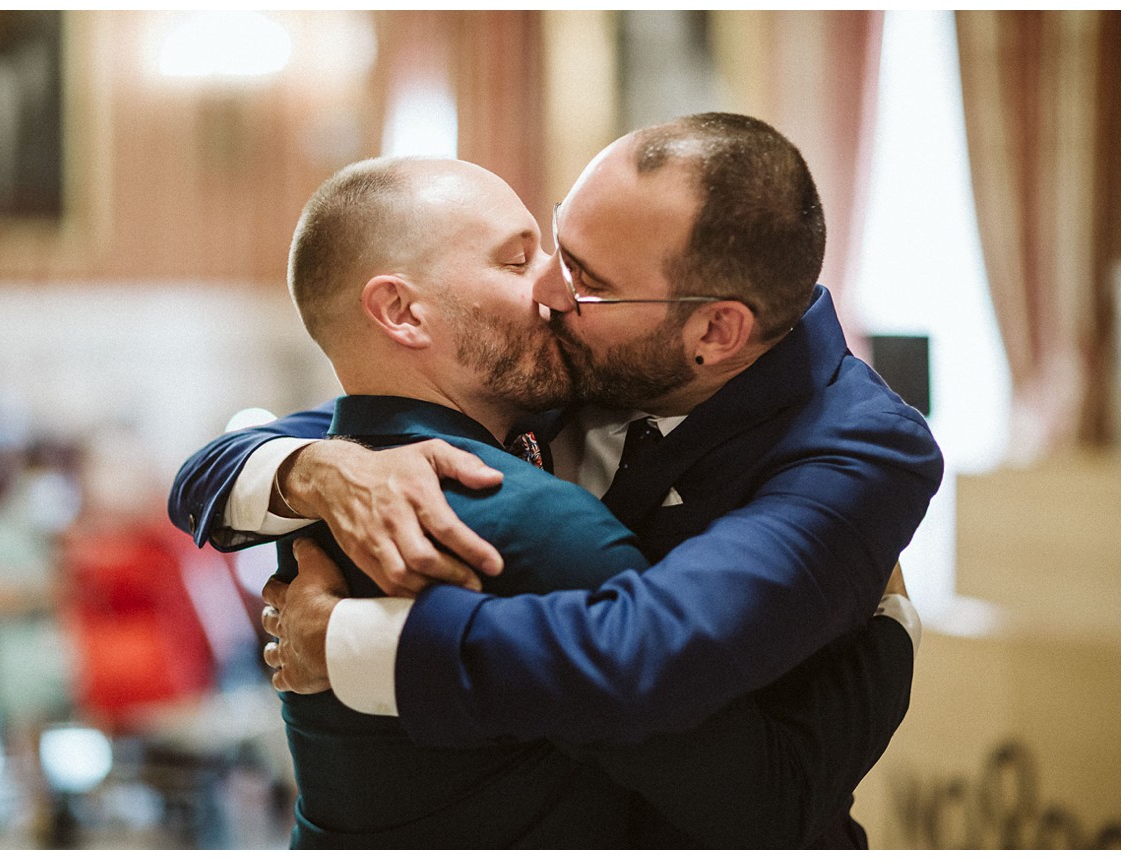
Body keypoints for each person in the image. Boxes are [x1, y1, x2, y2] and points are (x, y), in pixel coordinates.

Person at [169, 114, 943, 846]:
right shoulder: (571, 354)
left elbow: (644, 655)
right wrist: (314, 470)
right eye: (546, 247)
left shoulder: (856, 451)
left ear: (714, 331)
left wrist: (346, 645)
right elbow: (332, 430)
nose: (548, 291)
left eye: (585, 277)